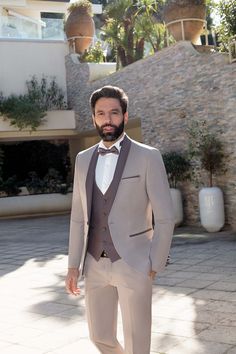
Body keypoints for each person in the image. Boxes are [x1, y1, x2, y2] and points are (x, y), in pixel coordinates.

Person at [65, 85, 175, 354]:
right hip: (94, 264)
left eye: (114, 113)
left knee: (138, 341)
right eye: (101, 113)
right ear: (94, 118)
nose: (107, 119)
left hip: (135, 262)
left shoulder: (148, 156)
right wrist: (73, 265)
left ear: (125, 116)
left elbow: (165, 216)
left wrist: (154, 263)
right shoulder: (82, 159)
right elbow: (78, 217)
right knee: (99, 335)